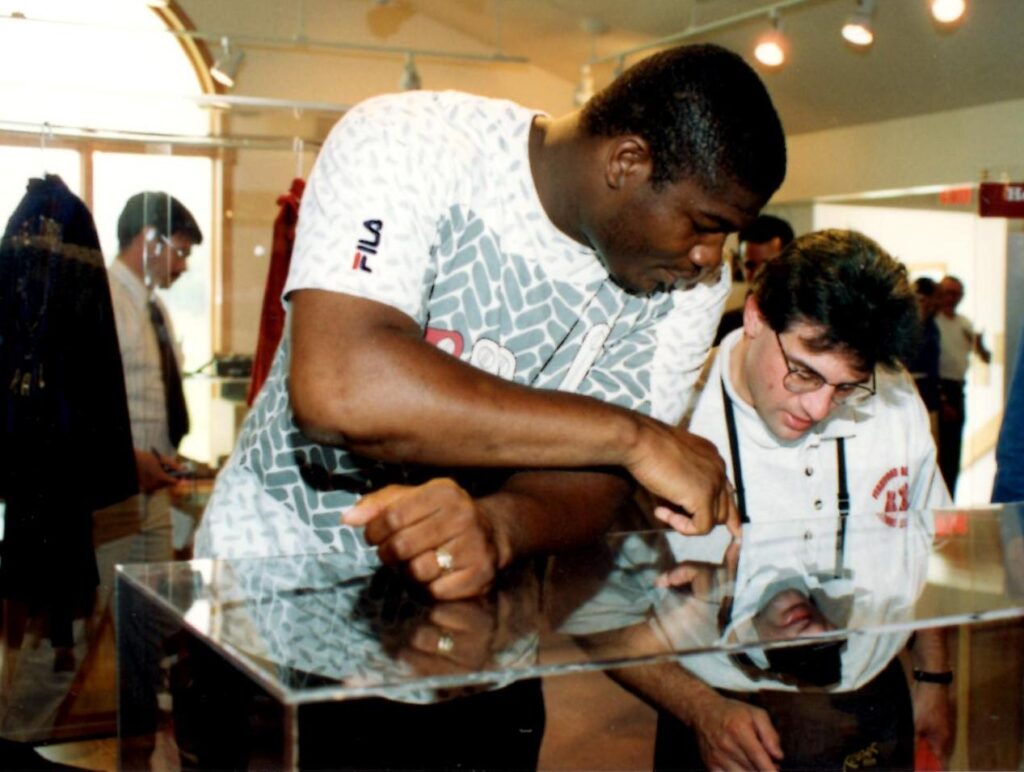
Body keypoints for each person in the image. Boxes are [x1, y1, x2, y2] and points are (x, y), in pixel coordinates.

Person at [191, 43, 785, 770]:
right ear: (626, 162)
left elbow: (593, 480)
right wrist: (632, 436)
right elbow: (341, 386)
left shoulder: (685, 284)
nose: (709, 257)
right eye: (702, 222)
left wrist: (498, 527)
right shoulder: (410, 144)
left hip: (476, 651)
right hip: (275, 625)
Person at [613, 230, 953, 771]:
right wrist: (700, 710)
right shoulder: (665, 412)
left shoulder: (893, 398)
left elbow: (925, 542)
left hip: (868, 690)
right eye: (804, 371)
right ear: (754, 316)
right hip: (720, 705)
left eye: (846, 388)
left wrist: (934, 678)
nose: (819, 407)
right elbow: (595, 611)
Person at [102, 191, 203, 567]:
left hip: (154, 490)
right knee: (92, 617)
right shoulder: (104, 298)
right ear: (149, 240)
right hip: (112, 492)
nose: (183, 266)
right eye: (180, 252)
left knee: (151, 609)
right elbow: (86, 404)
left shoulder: (154, 306)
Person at [935, 274, 991, 496]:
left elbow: (985, 357)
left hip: (957, 390)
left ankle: (950, 502)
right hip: (937, 391)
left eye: (956, 294)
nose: (951, 298)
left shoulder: (965, 323)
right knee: (937, 453)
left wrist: (980, 345)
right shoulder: (933, 322)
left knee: (952, 454)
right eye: (947, 293)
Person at [714, 214, 793, 345]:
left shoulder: (801, 322)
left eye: (768, 265)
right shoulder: (728, 325)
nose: (758, 274)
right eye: (750, 266)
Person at [908, 276, 942, 445]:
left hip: (929, 390)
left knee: (931, 441)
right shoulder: (908, 322)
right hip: (910, 386)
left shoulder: (932, 325)